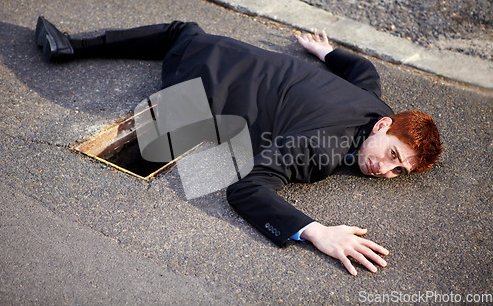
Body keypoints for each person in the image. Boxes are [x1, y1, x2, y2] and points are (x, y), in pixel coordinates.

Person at [35, 16, 442, 276]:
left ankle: (75, 44)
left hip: (231, 56)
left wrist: (327, 52)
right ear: (384, 126)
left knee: (186, 30)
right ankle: (71, 46)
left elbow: (363, 70)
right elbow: (246, 189)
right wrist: (316, 231)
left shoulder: (373, 102)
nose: (384, 170)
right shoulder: (321, 150)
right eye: (391, 155)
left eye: (397, 170)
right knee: (181, 35)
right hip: (195, 87)